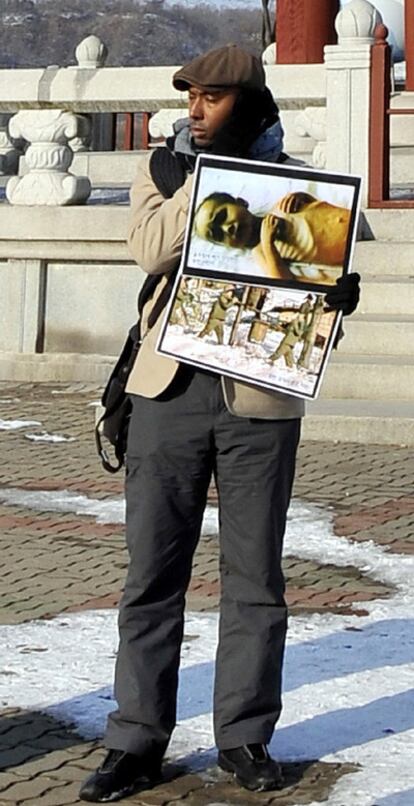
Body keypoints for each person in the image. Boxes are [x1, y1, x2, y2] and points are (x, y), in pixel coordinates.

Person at [80, 44, 360, 803]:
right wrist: (209, 184)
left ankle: (244, 738)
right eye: (190, 97)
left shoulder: (297, 185)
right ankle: (135, 741)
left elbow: (310, 298)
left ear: (249, 101)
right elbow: (146, 249)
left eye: (211, 99)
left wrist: (334, 298)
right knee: (151, 577)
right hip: (166, 396)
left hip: (260, 400)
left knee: (256, 580)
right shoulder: (165, 170)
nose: (194, 111)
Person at [193, 189, 351, 283]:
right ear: (226, 246)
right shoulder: (261, 250)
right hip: (344, 251)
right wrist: (268, 243)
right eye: (218, 235)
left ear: (241, 202)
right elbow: (281, 280)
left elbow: (315, 204)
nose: (227, 228)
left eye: (222, 216)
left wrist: (300, 197)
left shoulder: (280, 206)